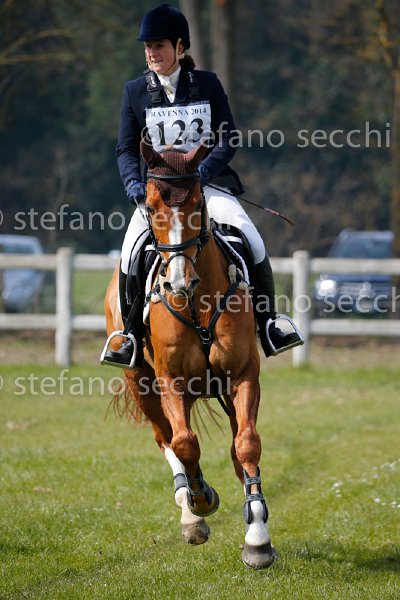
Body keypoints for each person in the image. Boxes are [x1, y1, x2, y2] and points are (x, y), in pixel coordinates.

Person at [102, 3, 303, 368]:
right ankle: (129, 335)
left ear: (180, 47)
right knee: (130, 253)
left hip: (205, 187)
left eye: (159, 45)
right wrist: (133, 184)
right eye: (148, 46)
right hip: (159, 195)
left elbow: (228, 138)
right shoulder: (135, 91)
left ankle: (268, 323)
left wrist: (204, 173)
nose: (151, 52)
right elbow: (126, 149)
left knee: (251, 237)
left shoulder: (207, 84)